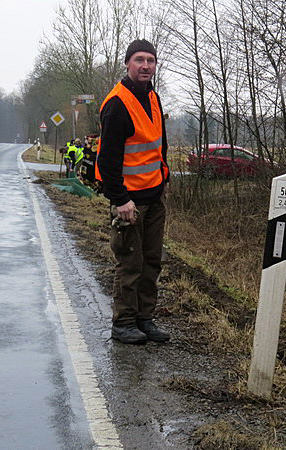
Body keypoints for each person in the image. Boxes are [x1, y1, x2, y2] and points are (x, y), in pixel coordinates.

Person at [96, 39, 170, 345]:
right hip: (129, 201)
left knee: (152, 261)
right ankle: (123, 322)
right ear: (127, 63)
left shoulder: (153, 97)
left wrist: (165, 177)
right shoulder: (117, 104)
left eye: (150, 60)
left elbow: (158, 143)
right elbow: (107, 159)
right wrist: (120, 199)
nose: (145, 66)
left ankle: (144, 318)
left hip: (154, 196)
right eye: (139, 60)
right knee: (130, 262)